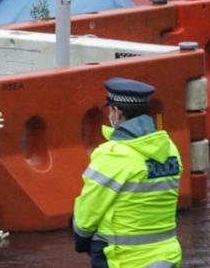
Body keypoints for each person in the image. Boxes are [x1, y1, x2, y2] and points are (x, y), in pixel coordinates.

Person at [73, 77, 182, 268]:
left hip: (122, 259)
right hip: (166, 257)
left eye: (110, 110)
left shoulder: (113, 154)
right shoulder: (169, 149)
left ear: (117, 112)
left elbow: (88, 213)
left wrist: (81, 236)